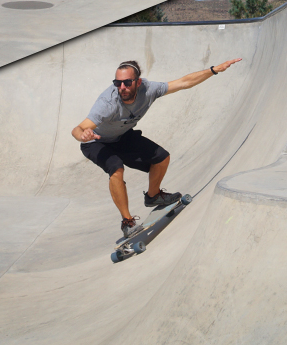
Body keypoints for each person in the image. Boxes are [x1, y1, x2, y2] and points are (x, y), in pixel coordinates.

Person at [71, 58, 241, 237]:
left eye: (127, 83)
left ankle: (153, 196)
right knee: (116, 168)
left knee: (161, 158)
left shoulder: (149, 89)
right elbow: (78, 128)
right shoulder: (108, 103)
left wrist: (213, 70)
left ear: (138, 82)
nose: (122, 88)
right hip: (96, 142)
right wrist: (83, 135)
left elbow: (183, 82)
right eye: (117, 83)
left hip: (121, 137)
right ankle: (127, 222)